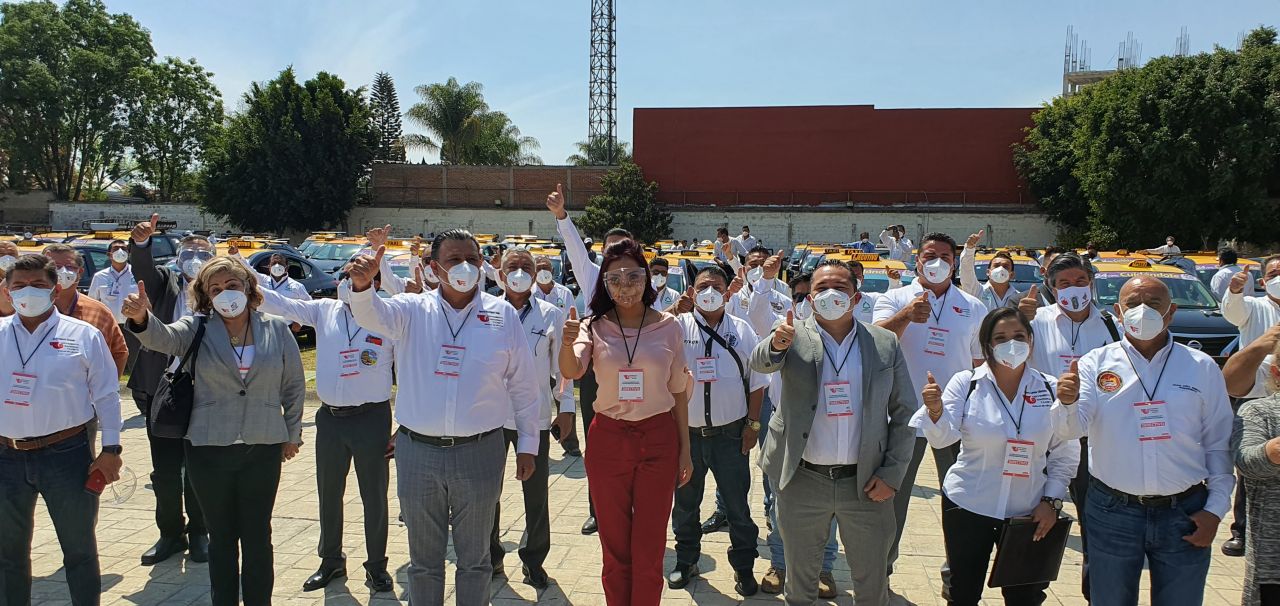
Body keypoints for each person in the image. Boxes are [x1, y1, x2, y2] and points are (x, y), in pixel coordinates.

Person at [345, 229, 541, 606]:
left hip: (480, 453)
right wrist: (362, 285)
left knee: (475, 561)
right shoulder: (410, 309)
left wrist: (528, 445)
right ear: (434, 267)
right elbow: (372, 315)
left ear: (484, 265)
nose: (463, 267)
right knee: (424, 562)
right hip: (419, 454)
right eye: (453, 259)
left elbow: (523, 385)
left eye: (471, 258)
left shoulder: (502, 315)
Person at [123, 256, 306, 606]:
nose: (225, 294)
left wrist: (292, 432)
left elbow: (294, 385)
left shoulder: (277, 328)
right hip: (208, 447)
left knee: (257, 535)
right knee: (221, 537)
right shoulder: (197, 327)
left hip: (263, 445)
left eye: (232, 286)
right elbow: (161, 337)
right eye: (216, 289)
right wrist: (141, 317)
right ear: (207, 296)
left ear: (249, 288)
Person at [1054, 275, 1233, 605]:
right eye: (1133, 304)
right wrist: (1066, 402)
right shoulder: (1095, 363)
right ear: (1118, 313)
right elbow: (1071, 430)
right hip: (1112, 511)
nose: (1143, 311)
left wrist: (1215, 511)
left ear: (1171, 312)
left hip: (1186, 512)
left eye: (1153, 304)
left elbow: (1218, 445)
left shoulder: (1201, 367)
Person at [752, 258, 916, 606]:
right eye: (821, 289)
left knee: (871, 584)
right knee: (799, 583)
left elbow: (905, 414)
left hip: (867, 483)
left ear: (857, 298)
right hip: (801, 480)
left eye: (839, 288)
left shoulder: (884, 343)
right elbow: (760, 362)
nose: (830, 295)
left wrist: (892, 473)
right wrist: (777, 344)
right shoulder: (791, 335)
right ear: (809, 300)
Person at [558, 238, 693, 606]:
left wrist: (686, 450)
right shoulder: (593, 326)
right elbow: (573, 369)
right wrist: (567, 343)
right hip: (609, 439)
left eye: (633, 277)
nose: (625, 288)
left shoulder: (669, 327)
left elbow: (678, 392)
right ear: (604, 284)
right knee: (615, 545)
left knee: (649, 545)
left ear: (646, 278)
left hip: (658, 437)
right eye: (614, 280)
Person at [913, 306, 1079, 605]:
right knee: (963, 590)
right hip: (969, 503)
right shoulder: (967, 384)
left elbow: (1064, 452)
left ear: (1030, 339)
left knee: (1025, 595)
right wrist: (935, 410)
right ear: (988, 344)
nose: (1011, 343)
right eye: (1000, 337)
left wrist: (1051, 501)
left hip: (1029, 509)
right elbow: (942, 439)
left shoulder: (1051, 388)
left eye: (1018, 335)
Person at [248, 262, 397, 594]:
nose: (349, 281)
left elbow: (409, 374)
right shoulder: (324, 310)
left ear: (372, 284)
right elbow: (280, 304)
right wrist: (244, 282)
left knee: (374, 496)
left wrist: (402, 428)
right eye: (345, 275)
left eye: (358, 276)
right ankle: (331, 560)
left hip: (371, 418)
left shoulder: (386, 317)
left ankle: (376, 566)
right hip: (330, 419)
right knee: (329, 493)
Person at [0, 254, 124, 606]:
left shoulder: (83, 335)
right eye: (19, 286)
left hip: (66, 455)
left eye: (38, 285)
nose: (28, 292)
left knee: (79, 550)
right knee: (8, 553)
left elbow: (106, 393)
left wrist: (111, 450)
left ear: (54, 291)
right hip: (6, 457)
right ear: (7, 293)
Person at [874, 232, 987, 590]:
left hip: (955, 417)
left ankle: (956, 575)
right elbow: (872, 341)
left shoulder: (972, 306)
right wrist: (906, 316)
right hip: (901, 415)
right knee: (891, 498)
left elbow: (981, 363)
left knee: (959, 499)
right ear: (917, 261)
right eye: (928, 255)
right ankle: (881, 573)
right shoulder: (893, 298)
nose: (936, 261)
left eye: (943, 256)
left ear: (954, 263)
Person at [668, 265, 766, 596]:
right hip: (688, 436)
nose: (709, 291)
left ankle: (743, 567)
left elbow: (757, 382)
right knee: (685, 503)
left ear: (727, 293)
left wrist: (753, 424)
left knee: (737, 505)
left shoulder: (743, 329)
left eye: (716, 286)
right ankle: (686, 560)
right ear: (692, 292)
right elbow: (648, 343)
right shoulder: (676, 326)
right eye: (702, 286)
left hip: (730, 434)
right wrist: (672, 310)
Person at [1025, 252, 1118, 597]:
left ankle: (1097, 593)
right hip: (1044, 438)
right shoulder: (1036, 322)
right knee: (1034, 517)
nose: (1073, 289)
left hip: (1091, 438)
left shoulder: (1111, 326)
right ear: (1051, 287)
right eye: (1063, 283)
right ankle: (1028, 591)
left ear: (1091, 283)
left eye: (1080, 281)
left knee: (1096, 521)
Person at [546, 183, 635, 535]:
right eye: (610, 247)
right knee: (598, 441)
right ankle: (597, 510)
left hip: (634, 372)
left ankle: (630, 507)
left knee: (631, 440)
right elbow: (574, 251)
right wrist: (562, 217)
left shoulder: (644, 283)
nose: (617, 253)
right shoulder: (593, 276)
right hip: (596, 369)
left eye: (623, 247)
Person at [487, 247, 575, 589]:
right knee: (486, 493)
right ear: (501, 273)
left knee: (536, 495)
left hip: (534, 417)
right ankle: (491, 556)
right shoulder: (485, 311)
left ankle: (534, 559)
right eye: (514, 267)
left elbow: (561, 370)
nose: (521, 272)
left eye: (527, 266)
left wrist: (566, 408)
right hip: (489, 418)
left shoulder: (551, 315)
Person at [127, 215, 212, 565]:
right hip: (162, 391)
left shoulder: (217, 292)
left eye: (203, 252)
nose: (195, 257)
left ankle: (200, 534)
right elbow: (143, 271)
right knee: (164, 470)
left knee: (197, 469)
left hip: (204, 395)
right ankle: (169, 534)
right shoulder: (165, 283)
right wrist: (142, 244)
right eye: (189, 251)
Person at [1231, 347, 1280, 606]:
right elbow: (1245, 461)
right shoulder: (1259, 412)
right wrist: (1270, 452)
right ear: (1276, 373)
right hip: (1273, 561)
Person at [41, 244, 129, 376]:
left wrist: (106, 390)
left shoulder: (99, 312)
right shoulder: (29, 307)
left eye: (70, 267)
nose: (63, 272)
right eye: (55, 267)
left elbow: (119, 353)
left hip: (81, 393)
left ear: (80, 272)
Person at [88, 239, 141, 372]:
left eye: (123, 249)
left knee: (136, 362)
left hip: (132, 325)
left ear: (128, 253)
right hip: (109, 327)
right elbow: (92, 302)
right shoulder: (100, 276)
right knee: (108, 362)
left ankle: (138, 392)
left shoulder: (137, 273)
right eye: (116, 249)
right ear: (109, 254)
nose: (120, 252)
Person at [1224, 255, 1280, 352]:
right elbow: (1233, 313)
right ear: (1262, 283)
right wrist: (1234, 291)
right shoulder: (1253, 306)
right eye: (1273, 275)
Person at [959, 231, 1025, 310]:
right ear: (988, 272)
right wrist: (969, 249)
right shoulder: (977, 291)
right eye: (996, 266)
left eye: (1006, 266)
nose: (1001, 269)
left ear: (1011, 275)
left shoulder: (1019, 298)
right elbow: (966, 270)